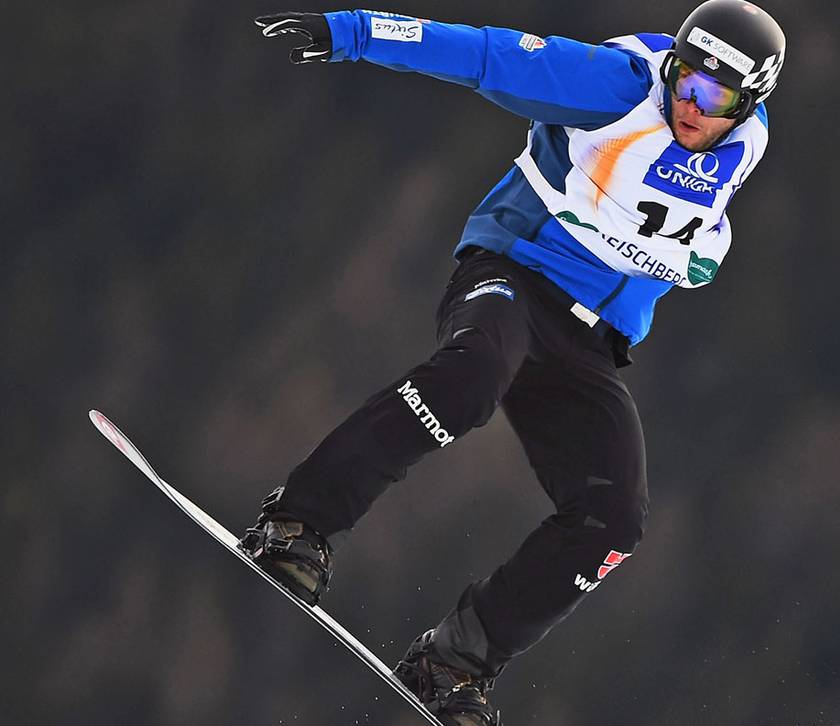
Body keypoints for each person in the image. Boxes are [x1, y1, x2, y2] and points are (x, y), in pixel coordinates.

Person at [242, 2, 786, 723]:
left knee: (613, 516)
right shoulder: (619, 87)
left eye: (713, 96)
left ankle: (455, 661)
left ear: (747, 104)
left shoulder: (748, 145)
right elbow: (489, 56)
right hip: (513, 278)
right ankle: (297, 525)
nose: (688, 103)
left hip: (588, 343)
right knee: (468, 380)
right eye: (684, 79)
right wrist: (351, 33)